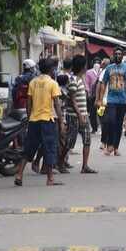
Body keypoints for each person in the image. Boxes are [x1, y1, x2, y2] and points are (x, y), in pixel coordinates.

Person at [14, 58, 64, 186]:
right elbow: (57, 105)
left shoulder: (33, 82)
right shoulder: (53, 83)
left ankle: (19, 175)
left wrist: (30, 117)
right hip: (47, 120)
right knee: (49, 148)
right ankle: (50, 179)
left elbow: (28, 103)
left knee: (29, 148)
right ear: (51, 70)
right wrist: (61, 122)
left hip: (34, 120)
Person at [60, 55, 97, 174]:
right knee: (70, 141)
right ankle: (60, 162)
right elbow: (72, 100)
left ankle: (85, 166)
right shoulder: (73, 80)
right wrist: (80, 114)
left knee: (87, 140)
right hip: (75, 116)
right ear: (82, 67)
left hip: (83, 114)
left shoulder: (80, 79)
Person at [98, 48, 126, 156]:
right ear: (113, 55)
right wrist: (100, 99)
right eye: (116, 54)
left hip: (123, 100)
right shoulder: (109, 68)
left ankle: (116, 148)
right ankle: (109, 145)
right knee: (111, 122)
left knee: (119, 125)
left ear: (122, 56)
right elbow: (103, 83)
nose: (118, 55)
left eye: (120, 54)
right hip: (111, 99)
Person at [96, 58, 111, 151]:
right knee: (103, 119)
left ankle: (107, 142)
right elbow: (99, 85)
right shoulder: (104, 72)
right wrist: (98, 99)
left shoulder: (114, 71)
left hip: (112, 101)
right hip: (103, 100)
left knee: (109, 121)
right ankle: (103, 141)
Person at [85, 58, 101, 134]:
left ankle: (101, 126)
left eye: (98, 62)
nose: (97, 64)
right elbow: (87, 83)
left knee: (101, 111)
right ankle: (94, 128)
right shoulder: (89, 72)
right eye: (95, 62)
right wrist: (88, 92)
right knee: (92, 112)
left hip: (101, 95)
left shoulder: (102, 72)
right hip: (92, 95)